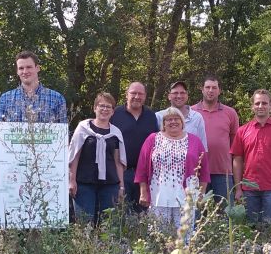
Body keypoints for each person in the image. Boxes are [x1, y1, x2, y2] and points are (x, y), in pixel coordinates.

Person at [135, 107, 210, 228]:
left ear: (182, 122)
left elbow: (205, 170)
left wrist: (201, 193)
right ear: (163, 123)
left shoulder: (195, 141)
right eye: (169, 119)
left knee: (184, 234)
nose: (173, 122)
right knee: (158, 232)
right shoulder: (153, 139)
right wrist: (143, 192)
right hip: (159, 195)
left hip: (187, 196)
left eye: (176, 119)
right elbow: (142, 168)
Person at [231, 89, 271, 224]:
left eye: (264, 103)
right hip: (249, 189)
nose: (261, 106)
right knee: (250, 229)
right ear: (252, 106)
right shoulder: (242, 131)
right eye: (257, 103)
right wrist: (238, 188)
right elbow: (237, 160)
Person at [67, 93, 127, 224]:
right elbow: (74, 155)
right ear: (95, 108)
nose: (105, 109)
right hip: (84, 183)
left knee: (108, 224)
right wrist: (72, 180)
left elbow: (118, 161)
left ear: (112, 111)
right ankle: (84, 245)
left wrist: (121, 187)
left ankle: (105, 246)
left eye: (109, 107)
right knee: (84, 222)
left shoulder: (116, 133)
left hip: (110, 184)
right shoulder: (83, 128)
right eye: (102, 106)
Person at [110, 82, 159, 212]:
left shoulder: (151, 115)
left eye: (140, 94)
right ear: (126, 95)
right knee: (121, 213)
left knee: (143, 214)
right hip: (122, 173)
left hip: (146, 174)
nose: (137, 96)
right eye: (133, 93)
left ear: (145, 96)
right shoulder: (115, 114)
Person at [191, 74, 239, 205]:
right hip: (197, 172)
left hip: (223, 172)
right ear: (202, 89)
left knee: (225, 214)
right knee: (197, 214)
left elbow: (235, 146)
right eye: (207, 87)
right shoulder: (191, 112)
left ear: (219, 90)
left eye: (214, 87)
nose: (210, 91)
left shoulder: (230, 113)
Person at [0, 50, 67, 123]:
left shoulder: (56, 98)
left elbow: (63, 132)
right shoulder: (5, 99)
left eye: (29, 67)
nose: (25, 71)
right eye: (21, 68)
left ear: (37, 68)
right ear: (17, 71)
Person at [156, 81, 207, 149]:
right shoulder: (159, 116)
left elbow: (202, 148)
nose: (179, 96)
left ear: (187, 95)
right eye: (175, 93)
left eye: (182, 93)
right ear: (169, 96)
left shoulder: (197, 117)